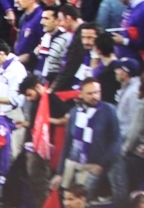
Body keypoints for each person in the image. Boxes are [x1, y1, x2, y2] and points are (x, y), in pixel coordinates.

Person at [51, 78, 124, 206]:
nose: (94, 96)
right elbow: (67, 144)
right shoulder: (74, 113)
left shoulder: (109, 111)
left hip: (94, 167)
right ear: (81, 94)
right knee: (69, 201)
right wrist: (59, 172)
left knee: (84, 201)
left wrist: (101, 165)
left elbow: (116, 140)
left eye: (97, 92)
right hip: (74, 165)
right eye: (90, 93)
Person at [18, 74, 70, 208]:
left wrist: (46, 120)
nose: (28, 98)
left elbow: (67, 119)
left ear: (37, 87)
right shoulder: (37, 102)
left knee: (40, 183)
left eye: (29, 94)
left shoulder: (52, 99)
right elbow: (34, 123)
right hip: (32, 145)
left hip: (42, 147)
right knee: (35, 183)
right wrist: (24, 123)